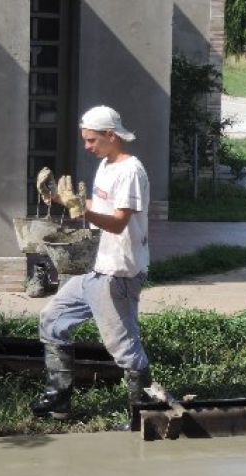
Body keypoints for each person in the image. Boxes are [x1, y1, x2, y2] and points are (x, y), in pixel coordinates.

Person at [30, 105, 152, 419]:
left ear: (111, 135)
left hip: (118, 272)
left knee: (123, 347)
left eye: (92, 140)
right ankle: (59, 397)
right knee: (52, 320)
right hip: (96, 266)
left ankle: (144, 414)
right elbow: (96, 207)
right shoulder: (107, 166)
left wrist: (81, 211)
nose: (87, 146)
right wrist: (61, 200)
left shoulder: (130, 171)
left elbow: (118, 223)